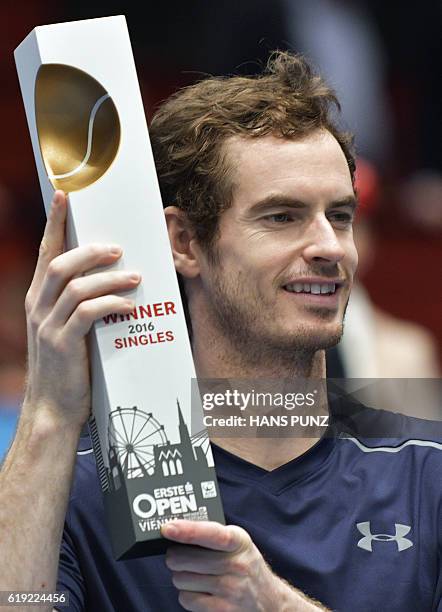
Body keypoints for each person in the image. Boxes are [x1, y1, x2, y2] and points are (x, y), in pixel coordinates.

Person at [0, 51, 440, 612]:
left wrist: (273, 605)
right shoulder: (75, 486)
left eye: (340, 215)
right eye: (281, 216)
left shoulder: (427, 467)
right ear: (183, 242)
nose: (331, 247)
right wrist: (48, 412)